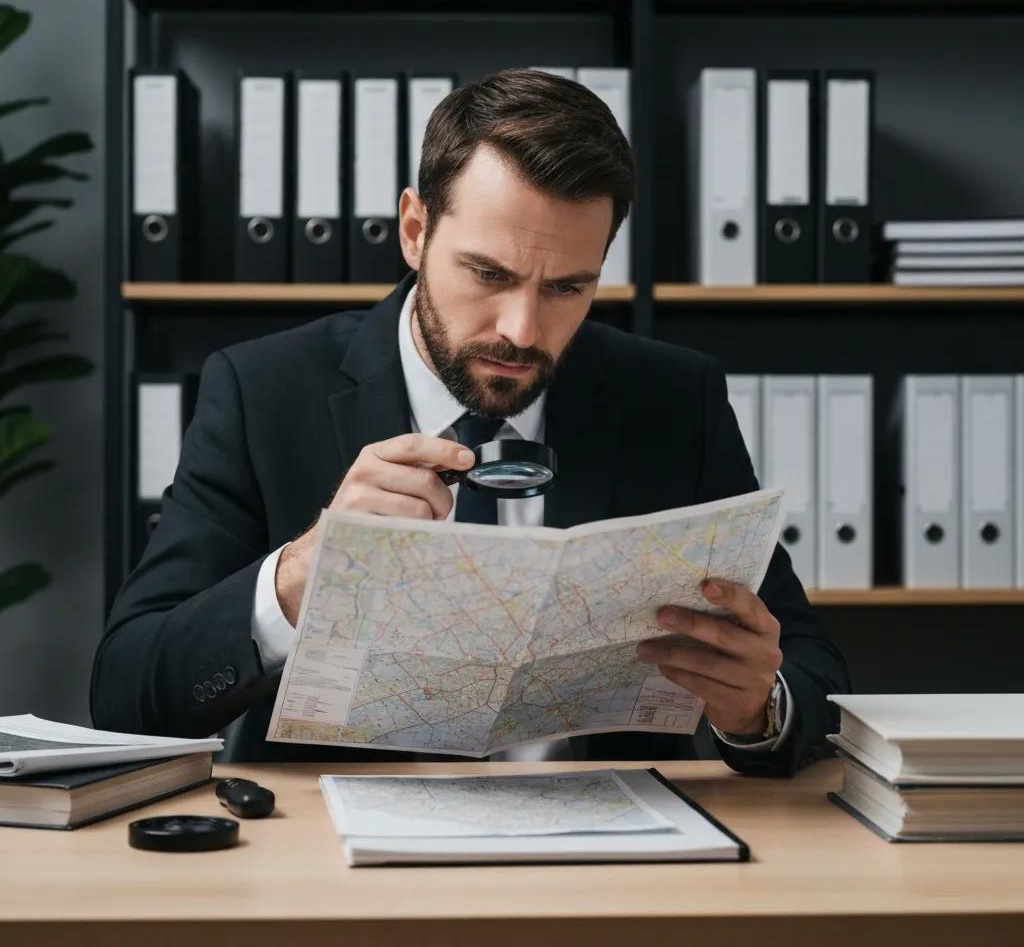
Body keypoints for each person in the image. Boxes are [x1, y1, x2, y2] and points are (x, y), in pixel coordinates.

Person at [91, 69, 849, 774]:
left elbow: (812, 672)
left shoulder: (673, 397)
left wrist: (758, 706)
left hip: (609, 862)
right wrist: (298, 578)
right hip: (330, 865)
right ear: (415, 230)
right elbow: (126, 693)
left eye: (568, 287)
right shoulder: (262, 391)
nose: (522, 330)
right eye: (489, 275)